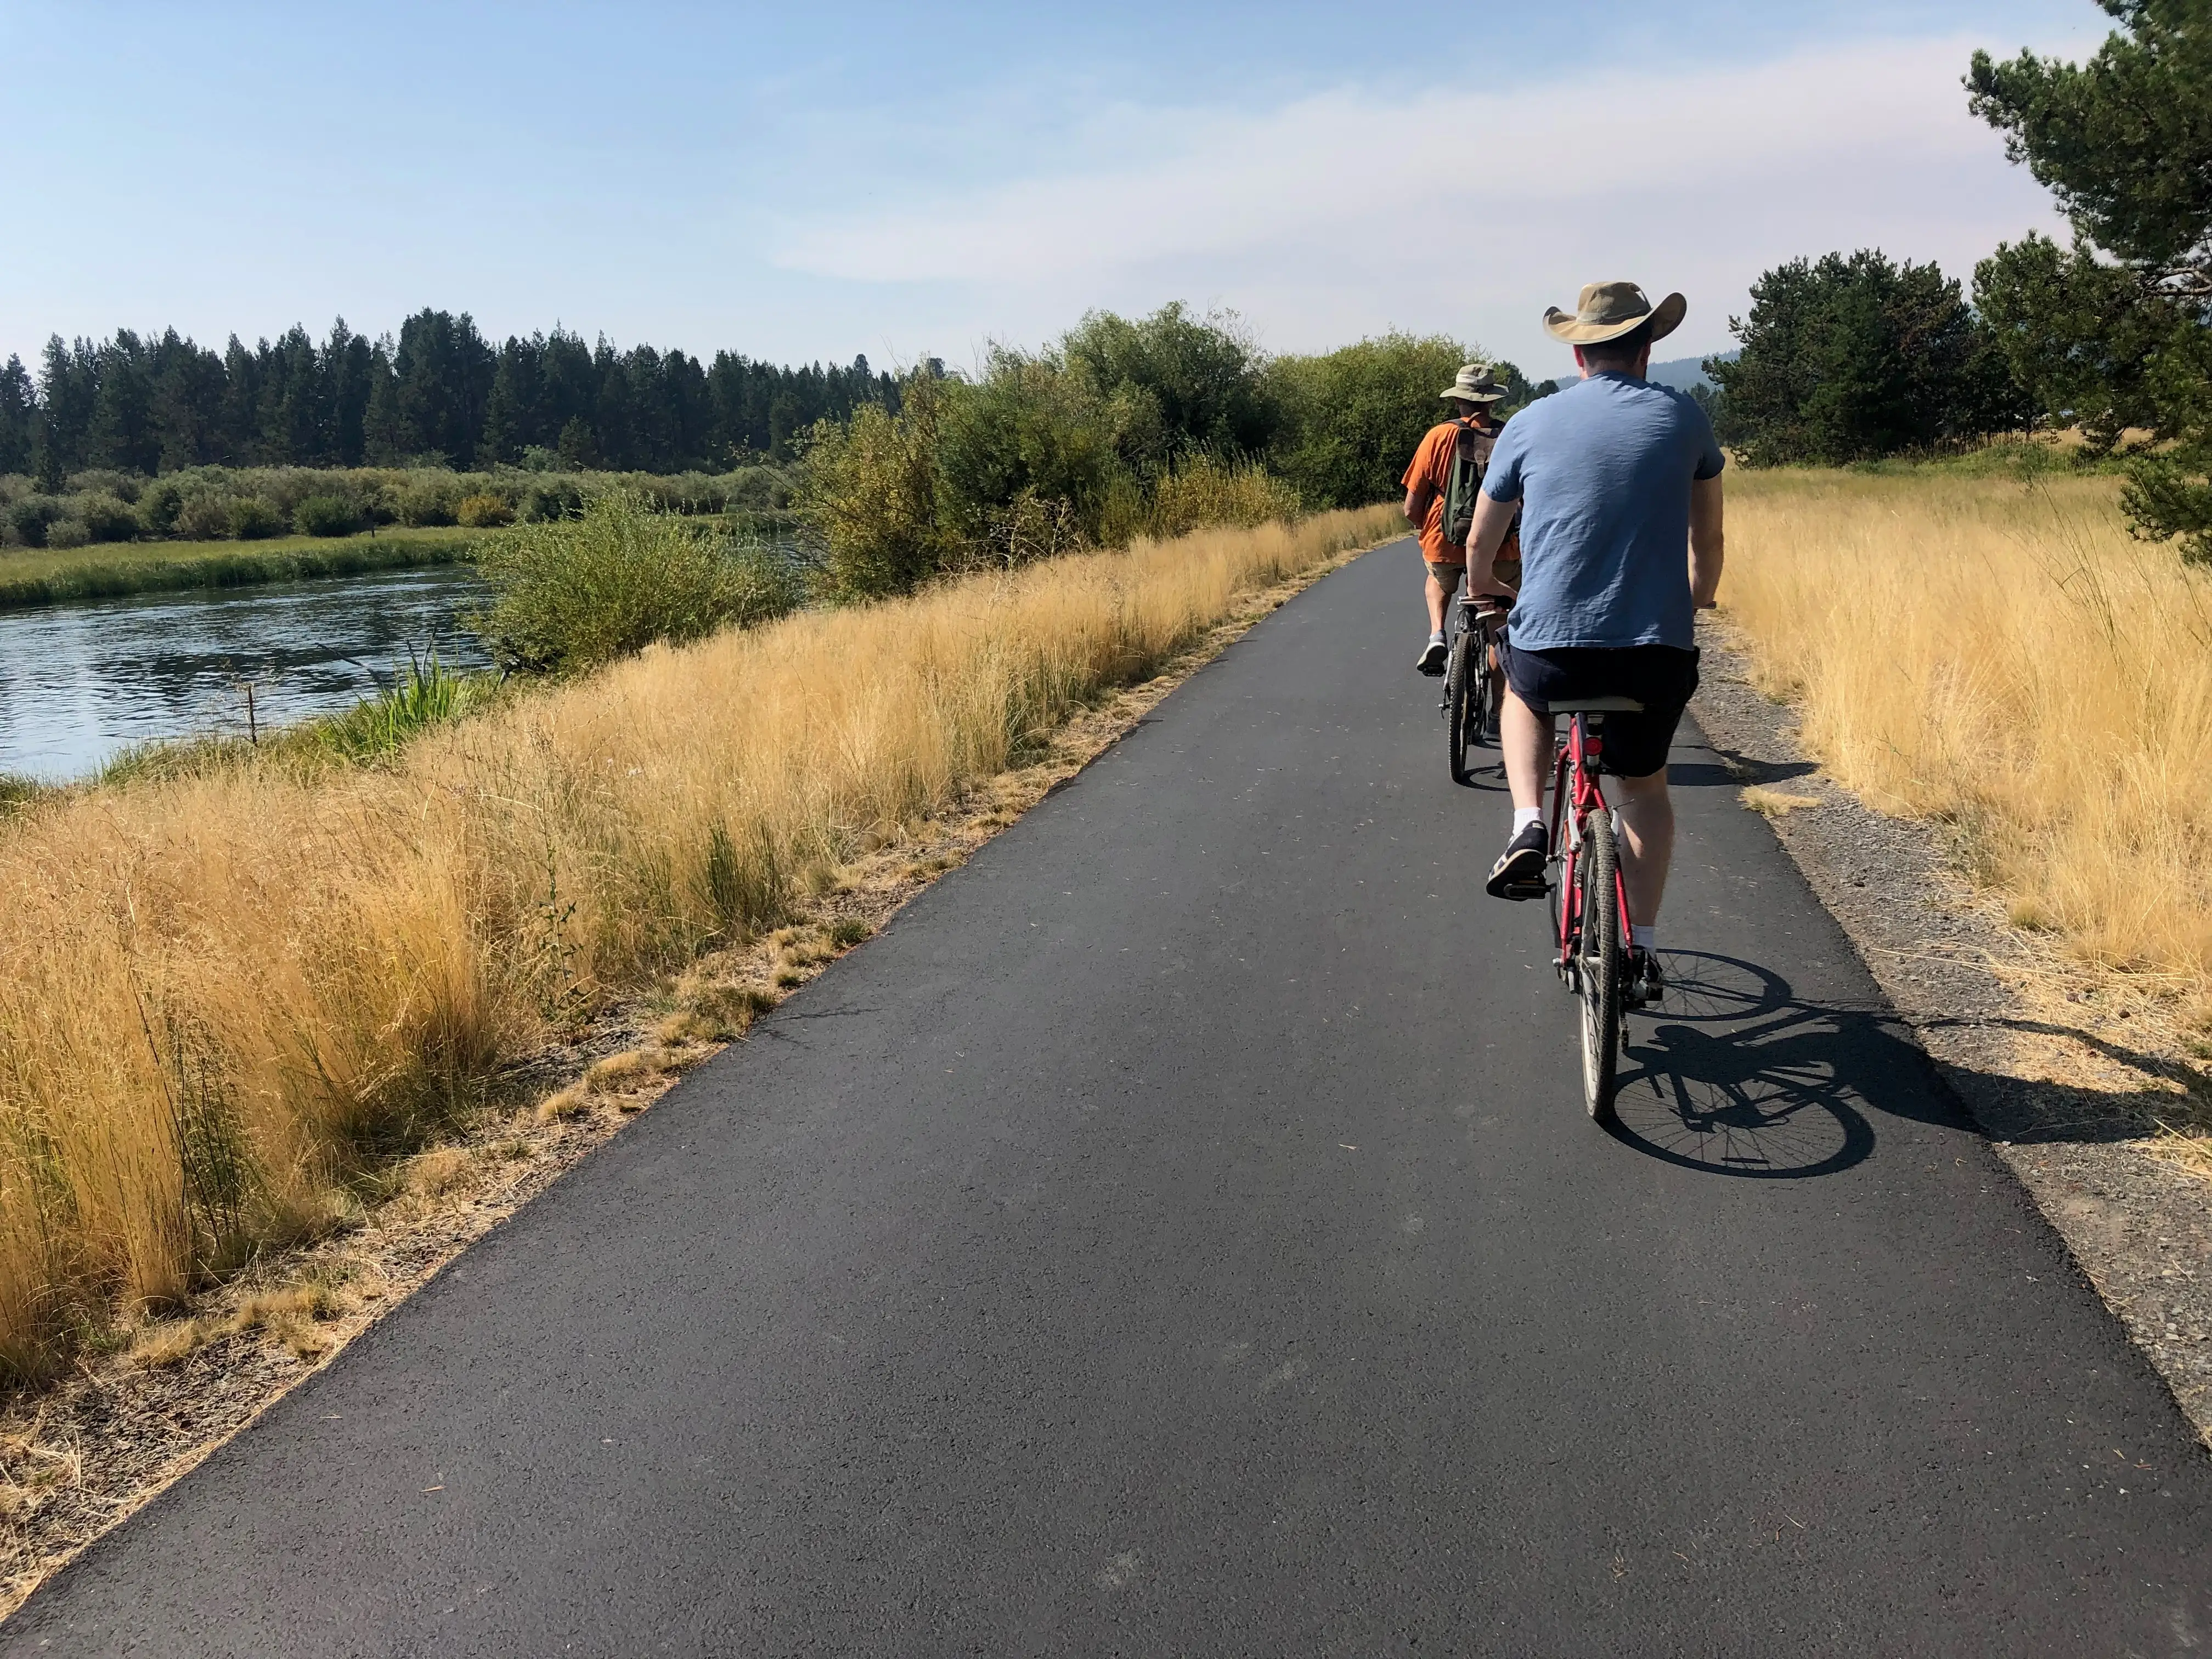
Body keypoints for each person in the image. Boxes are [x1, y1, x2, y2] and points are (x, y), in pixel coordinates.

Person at [1463, 281, 1725, 999]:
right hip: (1655, 654)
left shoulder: (1528, 423)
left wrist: (1486, 588)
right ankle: (1637, 949)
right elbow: (1710, 540)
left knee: (1521, 689)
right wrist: (1694, 605)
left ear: (1578, 353)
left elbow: (1482, 540)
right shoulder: (1685, 417)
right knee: (1642, 794)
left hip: (1552, 648)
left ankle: (1525, 826)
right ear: (1647, 349)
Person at [1401, 363, 1509, 673]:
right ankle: (1493, 714)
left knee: (1437, 580)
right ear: (1492, 401)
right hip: (1500, 544)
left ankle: (1437, 633)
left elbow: (1411, 507)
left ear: (1458, 400)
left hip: (1444, 536)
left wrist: (1429, 529)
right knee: (1498, 626)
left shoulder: (1437, 437)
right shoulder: (1509, 436)